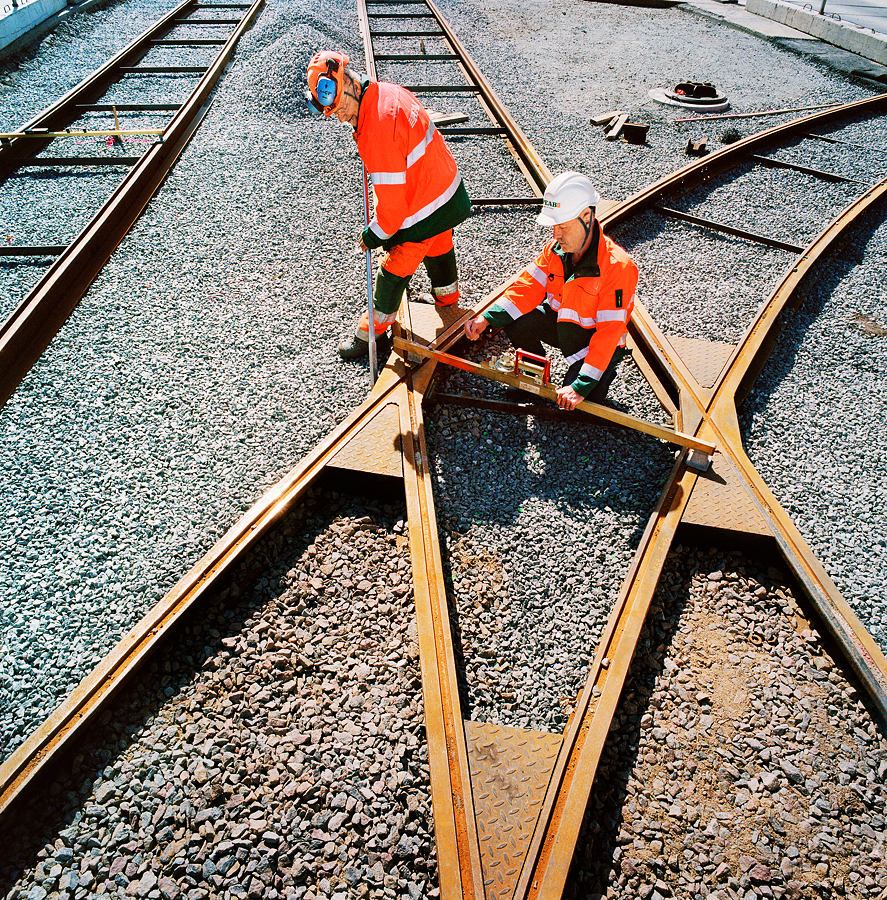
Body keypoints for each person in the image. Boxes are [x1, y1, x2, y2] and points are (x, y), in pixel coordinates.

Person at [306, 50, 472, 359]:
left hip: (425, 204)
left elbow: (393, 213)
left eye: (341, 107)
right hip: (445, 187)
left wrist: (372, 237)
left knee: (393, 269)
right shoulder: (387, 92)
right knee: (438, 244)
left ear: (351, 84)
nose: (340, 116)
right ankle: (447, 302)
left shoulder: (377, 128)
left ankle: (371, 335)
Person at [464, 171, 637, 409]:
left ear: (586, 216)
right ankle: (532, 375)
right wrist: (488, 318)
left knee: (582, 404)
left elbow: (608, 332)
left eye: (563, 227)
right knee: (517, 320)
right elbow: (528, 287)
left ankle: (601, 376)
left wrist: (580, 386)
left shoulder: (617, 267)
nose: (556, 234)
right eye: (555, 226)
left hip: (593, 341)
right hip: (562, 326)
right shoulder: (555, 249)